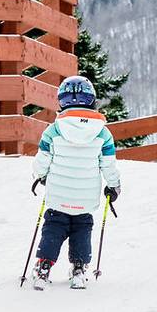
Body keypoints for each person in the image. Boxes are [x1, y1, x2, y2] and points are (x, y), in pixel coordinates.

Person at [30, 75, 122, 290]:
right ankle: (79, 268)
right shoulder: (102, 133)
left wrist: (40, 175)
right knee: (82, 227)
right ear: (92, 100)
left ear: (61, 102)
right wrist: (114, 186)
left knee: (53, 226)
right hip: (86, 197)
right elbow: (108, 165)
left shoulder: (53, 130)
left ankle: (44, 266)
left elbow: (42, 161)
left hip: (58, 196)